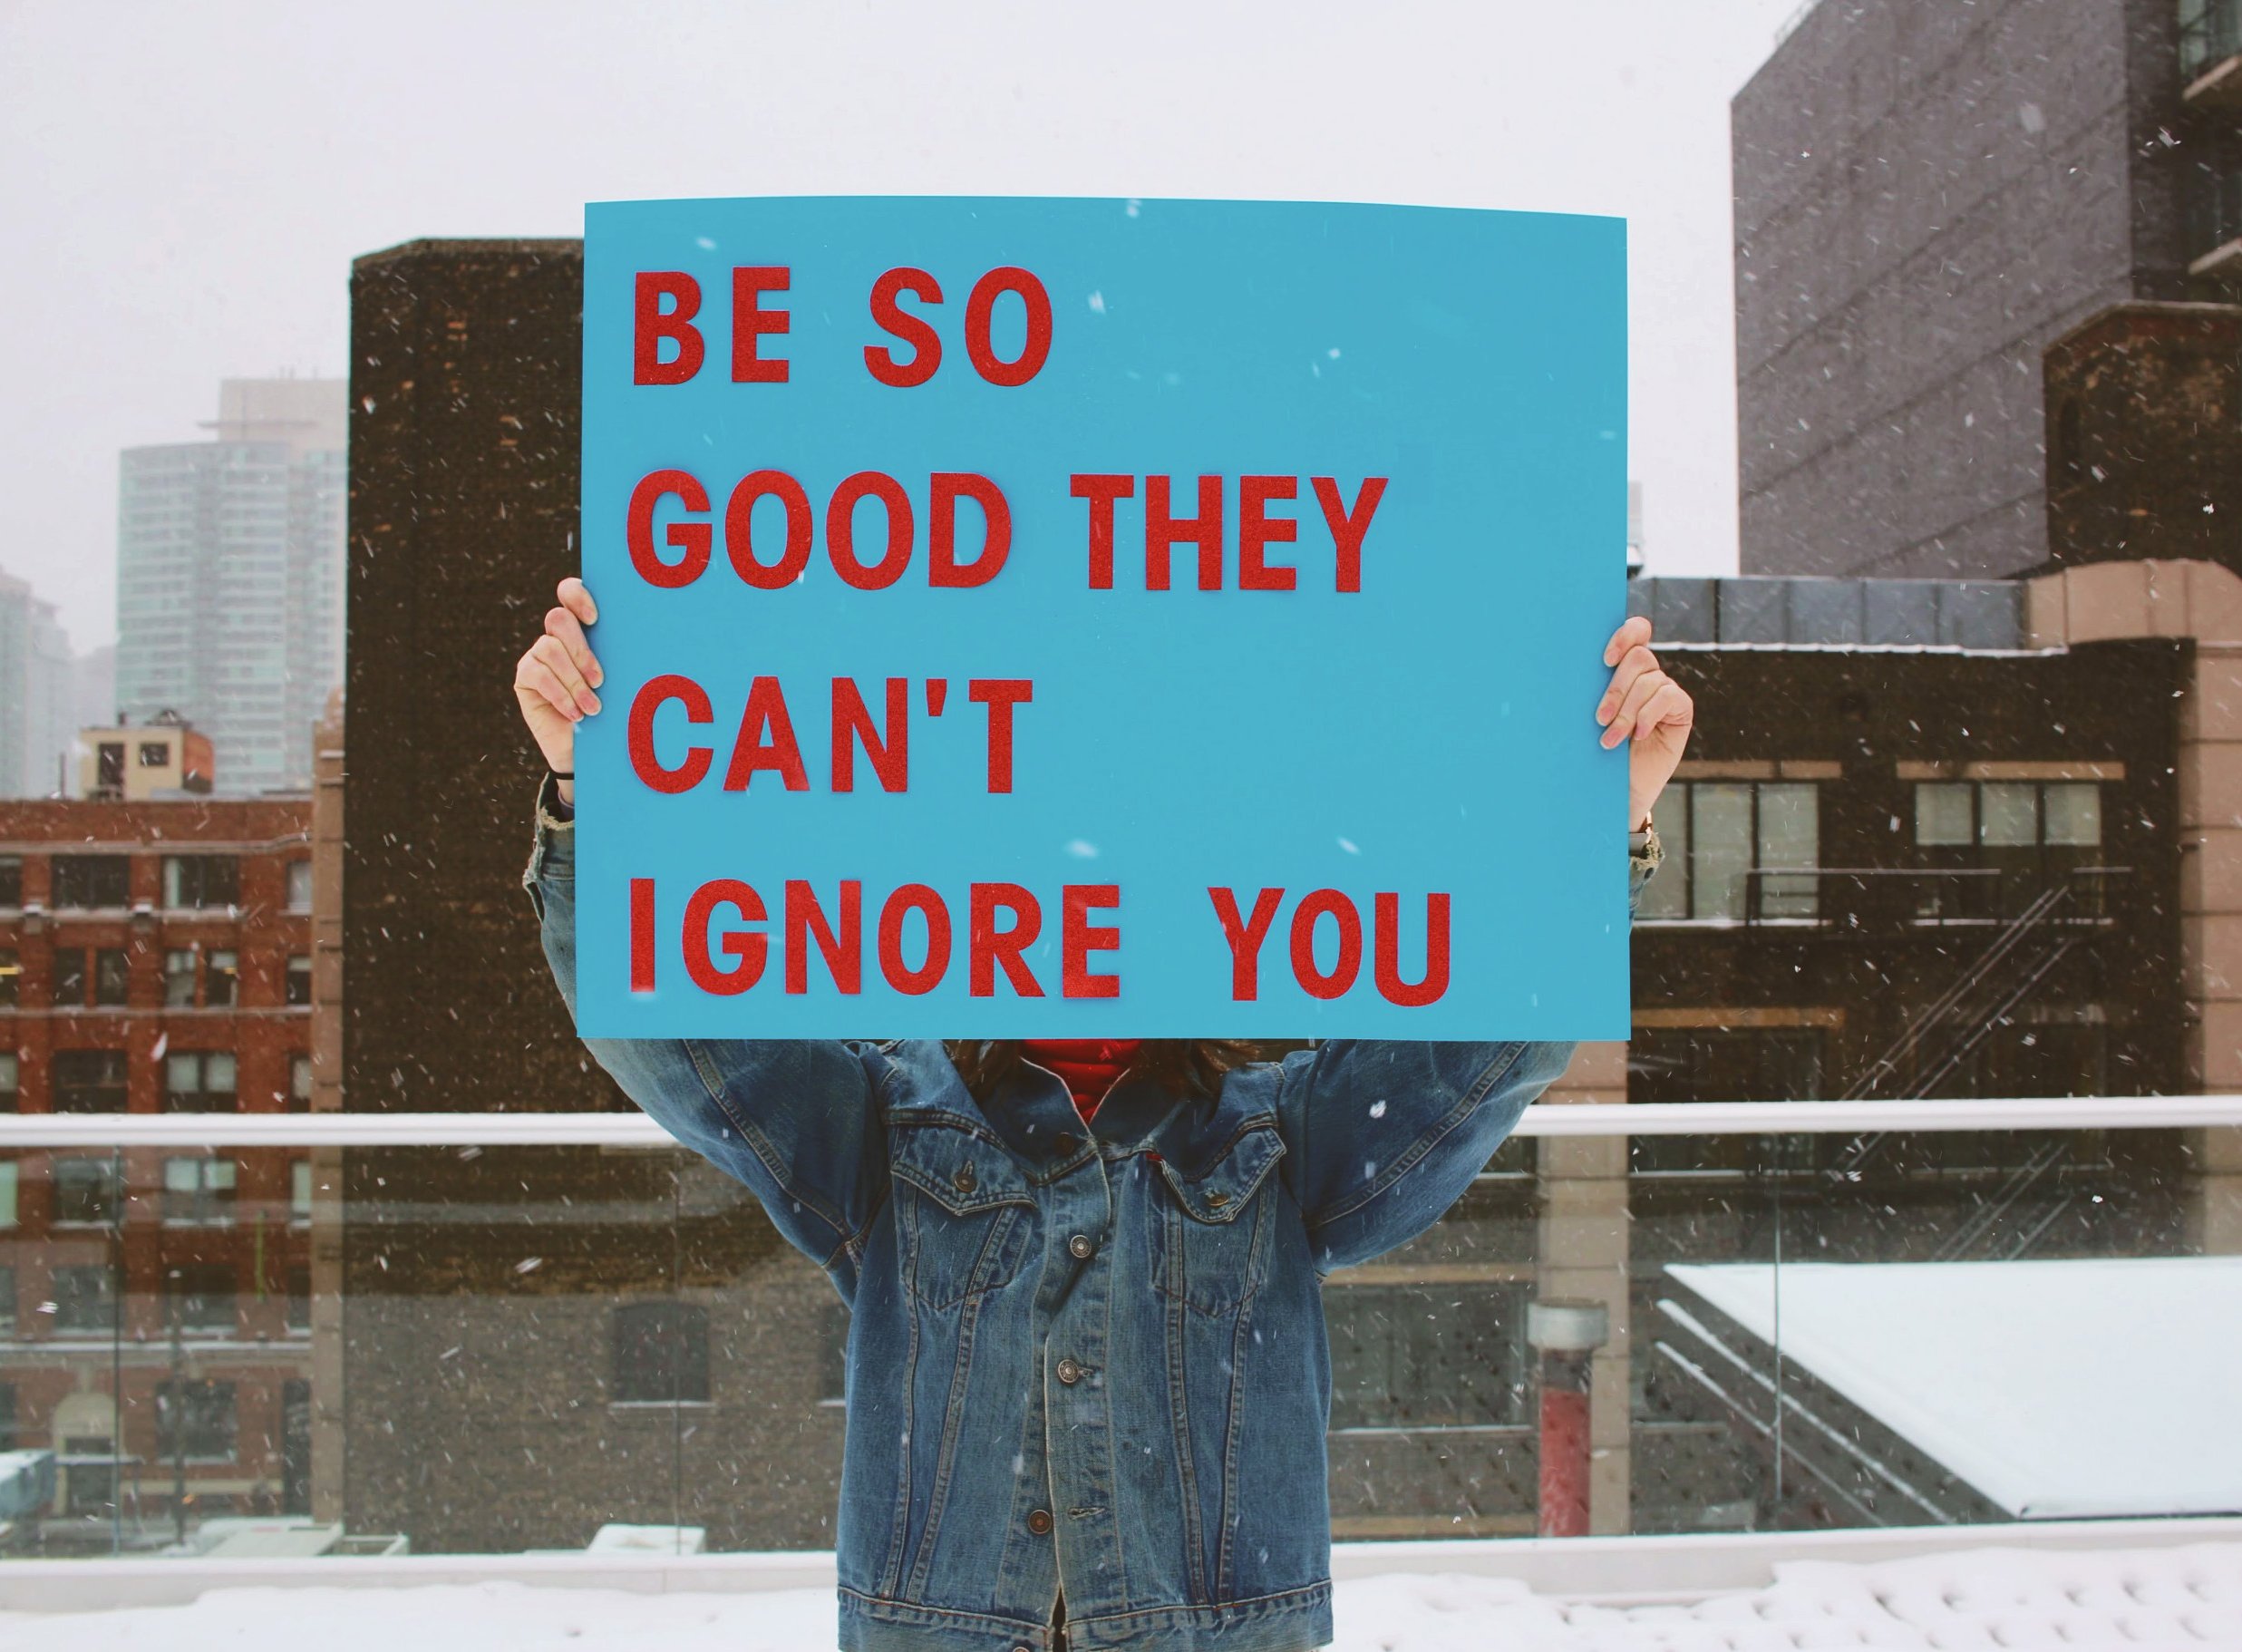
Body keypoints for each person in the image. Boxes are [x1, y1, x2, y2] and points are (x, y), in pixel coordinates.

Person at [514, 577, 1691, 1652]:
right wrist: (596, 800)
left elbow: (1475, 1059)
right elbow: (680, 1039)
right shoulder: (890, 1124)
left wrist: (1601, 824)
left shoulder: (1272, 1136)